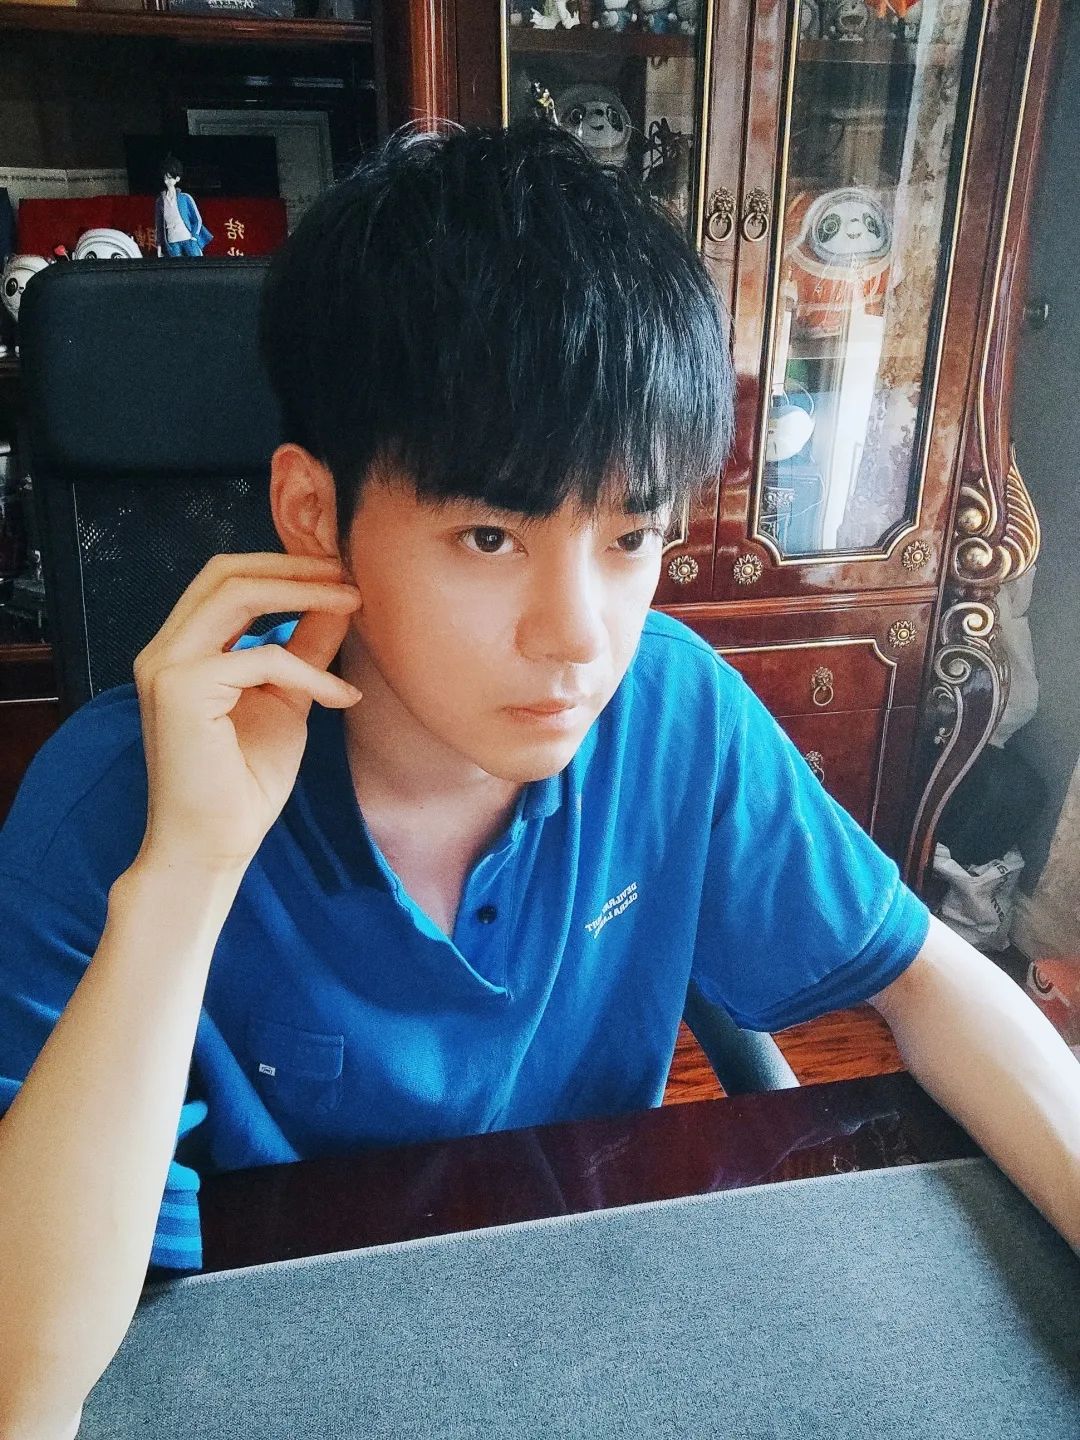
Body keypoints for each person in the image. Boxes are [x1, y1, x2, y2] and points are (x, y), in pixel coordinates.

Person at [1, 118, 1078, 1437]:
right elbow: (24, 1382)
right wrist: (186, 876)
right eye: (489, 536)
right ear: (313, 513)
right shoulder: (114, 802)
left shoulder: (669, 705)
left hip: (586, 1333)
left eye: (630, 537)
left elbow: (928, 977)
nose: (580, 638)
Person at [154, 153, 213, 259]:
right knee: (177, 266)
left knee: (196, 262)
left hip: (187, 237)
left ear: (177, 178)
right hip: (172, 240)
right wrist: (159, 246)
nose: (167, 181)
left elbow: (197, 219)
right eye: (165, 178)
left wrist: (194, 237)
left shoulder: (185, 198)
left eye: (170, 178)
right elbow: (159, 226)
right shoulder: (160, 201)